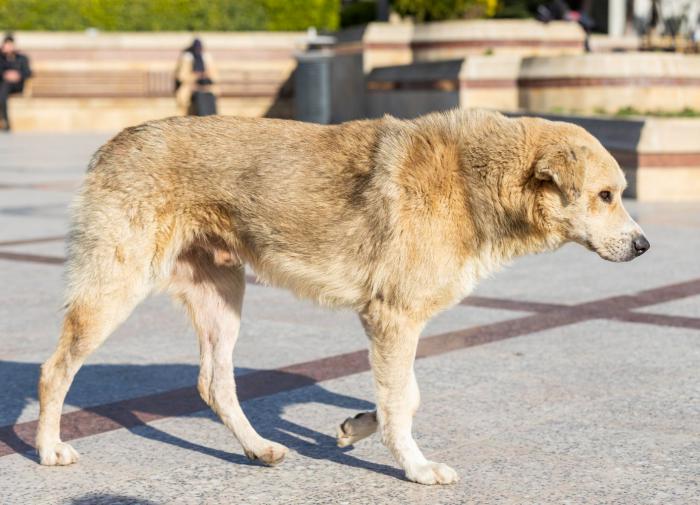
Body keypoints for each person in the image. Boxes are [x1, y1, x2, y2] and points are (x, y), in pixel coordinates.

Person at [174, 38, 220, 116]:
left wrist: (206, 74)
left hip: (206, 87)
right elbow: (181, 77)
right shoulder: (187, 59)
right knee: (187, 97)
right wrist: (195, 76)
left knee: (210, 95)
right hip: (191, 87)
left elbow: (215, 77)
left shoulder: (207, 59)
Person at [0, 34, 32, 131]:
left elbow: (28, 72)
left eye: (11, 45)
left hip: (17, 85)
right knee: (4, 89)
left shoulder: (22, 58)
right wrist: (6, 75)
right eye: (7, 45)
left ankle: (5, 121)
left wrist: (18, 75)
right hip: (3, 86)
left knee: (3, 91)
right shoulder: (1, 58)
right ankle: (5, 121)